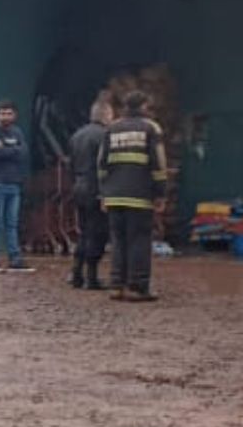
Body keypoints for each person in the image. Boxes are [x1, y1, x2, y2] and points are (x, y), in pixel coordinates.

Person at [97, 90, 168, 302]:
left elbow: (101, 163)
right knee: (139, 241)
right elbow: (159, 164)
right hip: (139, 196)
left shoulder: (111, 128)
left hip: (114, 196)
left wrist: (104, 193)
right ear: (144, 106)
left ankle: (116, 285)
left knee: (118, 241)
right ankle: (137, 287)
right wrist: (160, 193)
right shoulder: (151, 128)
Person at [0, 98, 34, 273]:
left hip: (14, 184)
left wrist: (6, 149)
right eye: (2, 113)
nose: (5, 116)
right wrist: (13, 150)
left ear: (15, 115)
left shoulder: (17, 132)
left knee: (12, 224)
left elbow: (24, 153)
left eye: (9, 113)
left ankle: (15, 259)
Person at [66, 101, 112, 290]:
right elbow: (106, 165)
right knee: (98, 233)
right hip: (96, 188)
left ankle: (76, 272)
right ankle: (91, 277)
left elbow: (70, 164)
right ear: (106, 115)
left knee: (84, 231)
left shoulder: (77, 135)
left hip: (79, 186)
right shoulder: (105, 136)